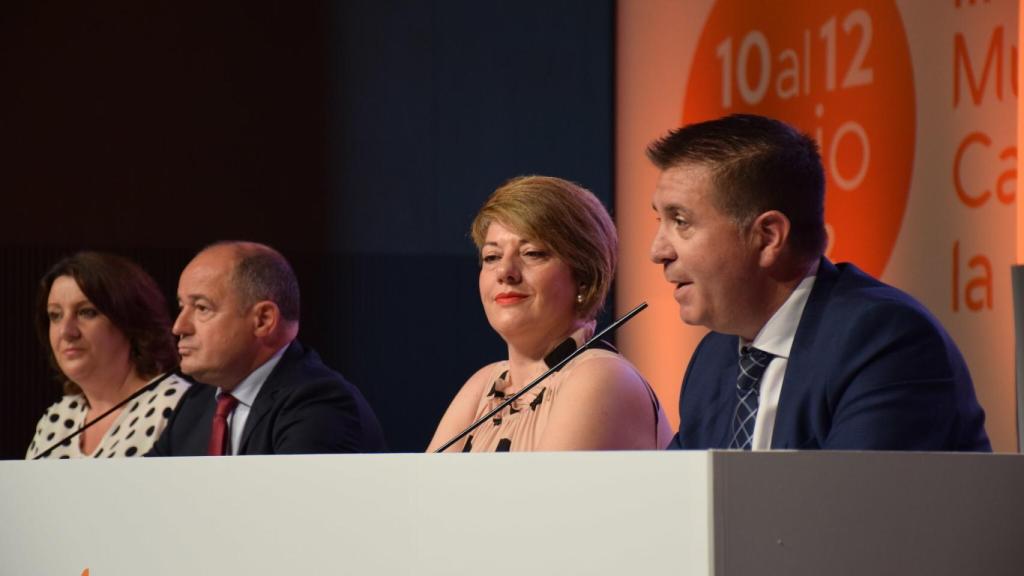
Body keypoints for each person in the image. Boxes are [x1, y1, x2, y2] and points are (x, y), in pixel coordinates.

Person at [647, 114, 990, 451]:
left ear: (768, 237)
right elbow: (680, 501)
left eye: (680, 221)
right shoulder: (711, 359)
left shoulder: (882, 342)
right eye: (659, 220)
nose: (658, 250)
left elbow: (850, 503)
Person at [429, 176, 673, 452]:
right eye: (492, 257)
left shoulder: (601, 377)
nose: (505, 272)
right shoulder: (484, 385)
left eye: (532, 253)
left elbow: (537, 496)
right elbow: (419, 494)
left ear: (583, 277)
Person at [149, 241, 385, 456]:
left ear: (263, 320)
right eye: (182, 307)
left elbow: (289, 501)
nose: (179, 327)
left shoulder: (319, 404)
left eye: (202, 308)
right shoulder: (195, 404)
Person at [26, 252, 190, 459]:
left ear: (130, 321)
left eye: (86, 312)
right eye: (55, 315)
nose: (66, 331)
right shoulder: (56, 420)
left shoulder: (176, 407)